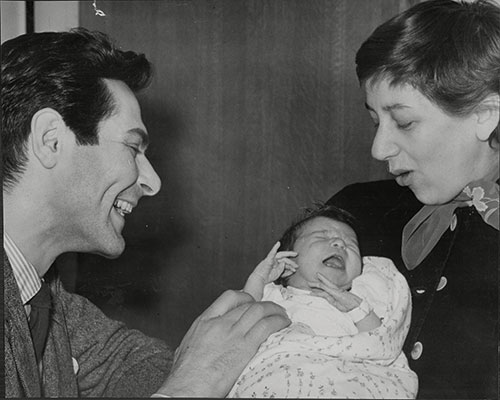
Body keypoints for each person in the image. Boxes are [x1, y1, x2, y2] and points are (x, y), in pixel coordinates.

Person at [2, 28, 291, 398]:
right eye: (132, 147)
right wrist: (188, 387)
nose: (152, 182)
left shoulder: (45, 296)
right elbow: (181, 380)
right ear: (50, 140)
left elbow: (141, 365)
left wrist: (207, 358)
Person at [327, 0, 499, 398]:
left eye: (403, 122)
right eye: (375, 121)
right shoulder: (353, 213)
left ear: (486, 114)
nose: (379, 148)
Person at [228, 205, 418, 399]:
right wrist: (258, 278)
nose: (339, 243)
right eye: (322, 237)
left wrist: (357, 309)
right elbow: (235, 327)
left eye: (351, 244)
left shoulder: (363, 299)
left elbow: (382, 343)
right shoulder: (273, 295)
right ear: (289, 257)